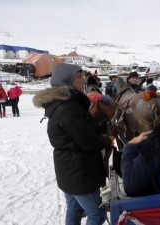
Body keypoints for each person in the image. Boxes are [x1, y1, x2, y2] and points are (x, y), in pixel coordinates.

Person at [33, 63, 111, 225]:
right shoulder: (69, 108)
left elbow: (76, 133)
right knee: (97, 215)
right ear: (67, 81)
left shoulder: (62, 104)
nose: (83, 79)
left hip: (68, 170)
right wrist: (107, 140)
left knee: (75, 209)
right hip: (80, 172)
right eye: (79, 76)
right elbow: (86, 140)